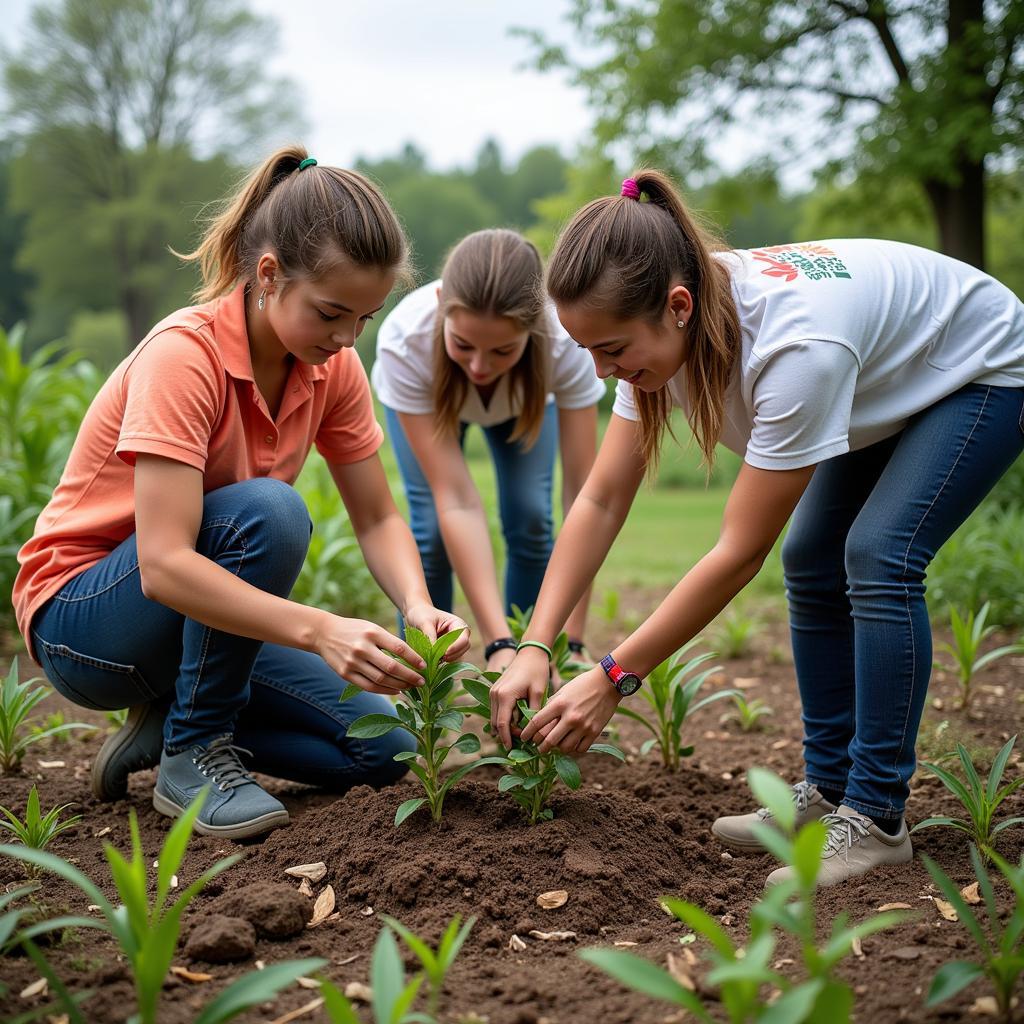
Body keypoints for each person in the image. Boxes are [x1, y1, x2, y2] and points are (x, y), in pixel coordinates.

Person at [490, 169, 1024, 887]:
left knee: (878, 554)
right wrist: (535, 643)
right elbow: (600, 501)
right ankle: (828, 790)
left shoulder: (795, 349)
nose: (603, 370)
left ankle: (876, 816)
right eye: (587, 351)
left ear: (677, 306)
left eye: (612, 350)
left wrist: (614, 676)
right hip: (892, 375)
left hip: (982, 370)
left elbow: (739, 552)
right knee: (811, 556)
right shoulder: (657, 333)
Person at [13, 147, 470, 840]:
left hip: (191, 621)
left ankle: (174, 727)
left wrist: (417, 604)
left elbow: (376, 517)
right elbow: (165, 563)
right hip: (86, 624)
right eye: (330, 313)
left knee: (385, 748)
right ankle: (194, 754)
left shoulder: (331, 367)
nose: (348, 338)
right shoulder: (183, 357)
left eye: (364, 320)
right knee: (270, 512)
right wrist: (319, 630)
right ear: (267, 275)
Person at [371, 229, 605, 674]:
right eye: (463, 344)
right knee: (431, 536)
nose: (479, 367)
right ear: (441, 304)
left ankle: (541, 657)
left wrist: (570, 640)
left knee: (532, 517)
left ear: (536, 323)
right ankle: (424, 685)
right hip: (427, 402)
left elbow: (585, 497)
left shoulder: (567, 342)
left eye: (502, 350)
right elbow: (456, 498)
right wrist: (495, 641)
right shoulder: (406, 340)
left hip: (524, 407)